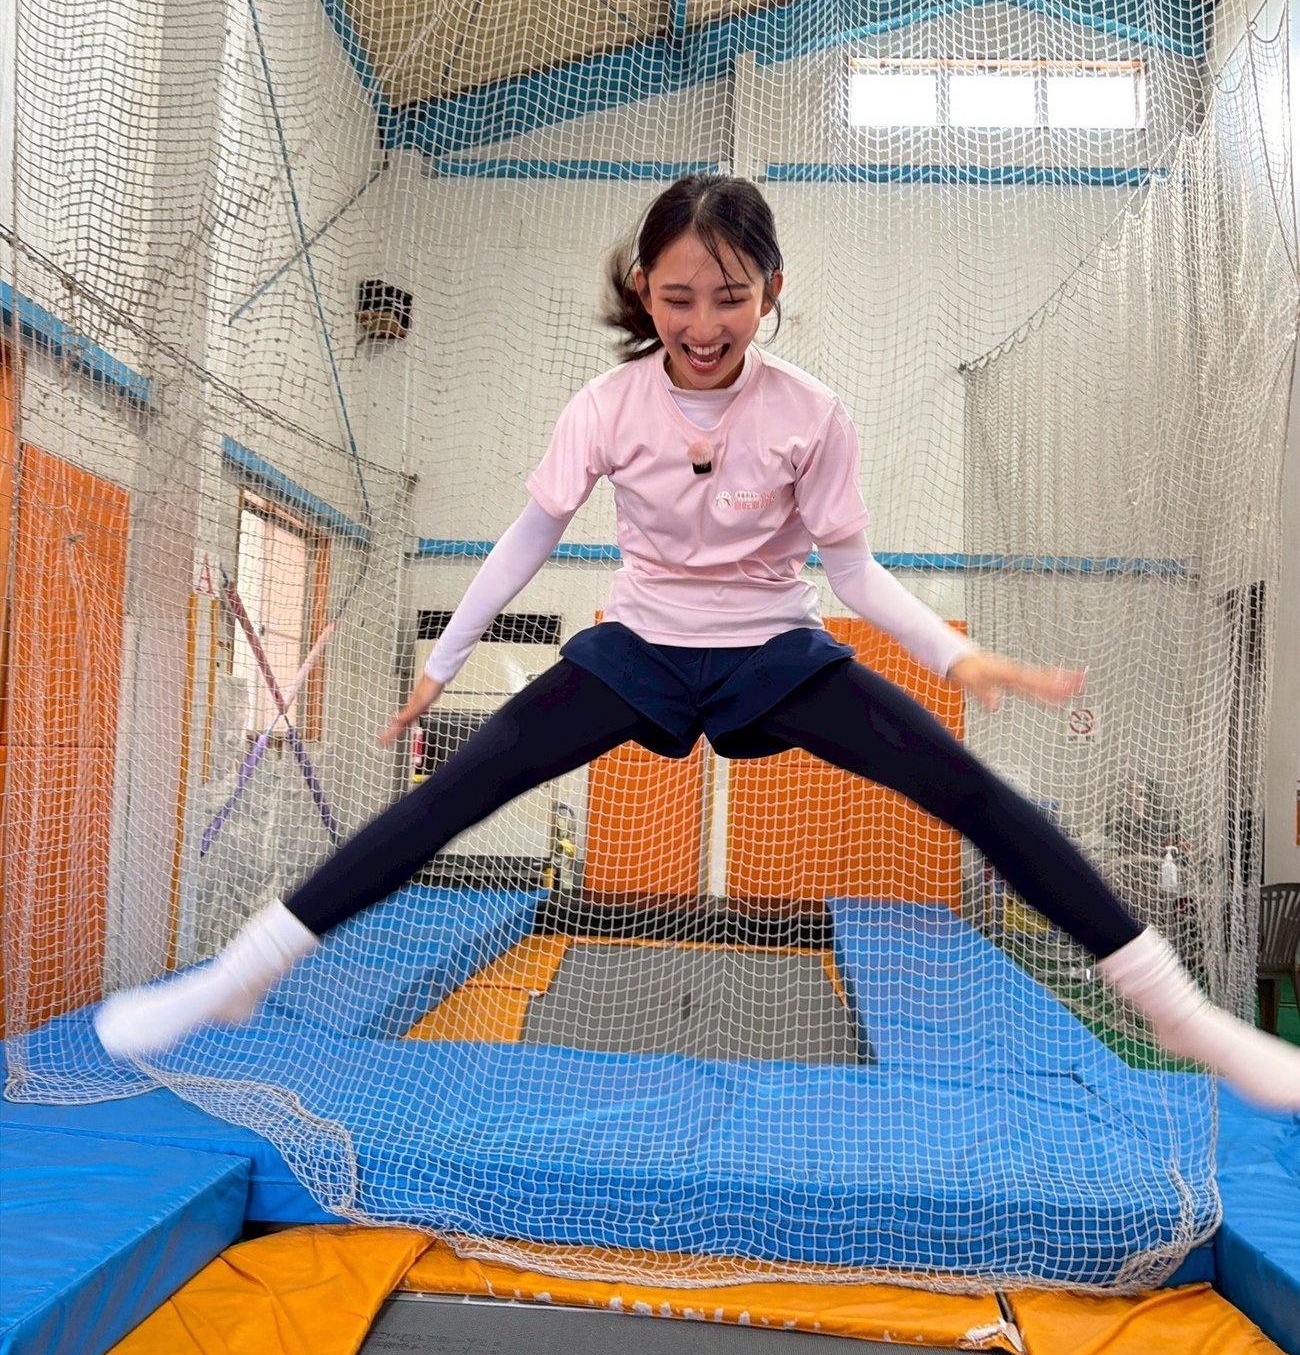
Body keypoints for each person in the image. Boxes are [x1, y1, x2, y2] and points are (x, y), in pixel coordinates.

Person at [96, 176, 1300, 1112]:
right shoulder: (607, 405)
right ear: (643, 291)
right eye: (679, 298)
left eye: (730, 296)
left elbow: (850, 571)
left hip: (776, 650)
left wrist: (952, 656)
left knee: (969, 789)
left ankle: (1185, 1019)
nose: (705, 324)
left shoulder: (810, 412)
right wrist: (443, 661)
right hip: (639, 648)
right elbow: (526, 539)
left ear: (771, 288)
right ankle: (238, 977)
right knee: (457, 789)